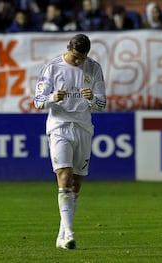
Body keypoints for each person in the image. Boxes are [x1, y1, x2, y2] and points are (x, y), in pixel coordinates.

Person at [33, 34, 106, 250]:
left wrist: (92, 97)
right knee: (64, 176)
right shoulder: (52, 68)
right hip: (59, 127)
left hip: (83, 128)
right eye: (75, 57)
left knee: (76, 184)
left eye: (81, 58)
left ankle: (62, 234)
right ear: (68, 48)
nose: (78, 62)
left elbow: (102, 104)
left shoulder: (93, 68)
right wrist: (52, 98)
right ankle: (70, 232)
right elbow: (38, 102)